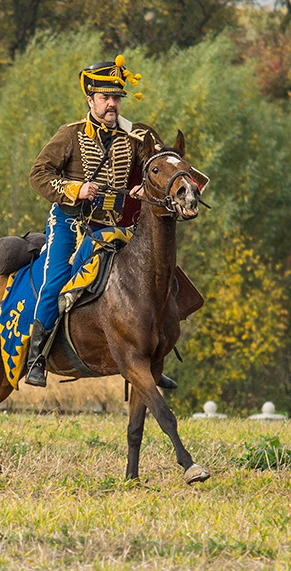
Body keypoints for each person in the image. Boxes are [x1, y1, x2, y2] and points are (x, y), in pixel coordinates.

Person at [23, 55, 175, 389]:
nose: (112, 104)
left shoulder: (136, 135)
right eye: (105, 98)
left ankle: (152, 355)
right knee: (57, 281)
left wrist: (143, 185)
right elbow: (38, 174)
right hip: (70, 225)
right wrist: (75, 189)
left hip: (115, 227)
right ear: (90, 100)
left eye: (117, 98)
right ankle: (37, 356)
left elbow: (158, 165)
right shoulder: (70, 135)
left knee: (157, 274)